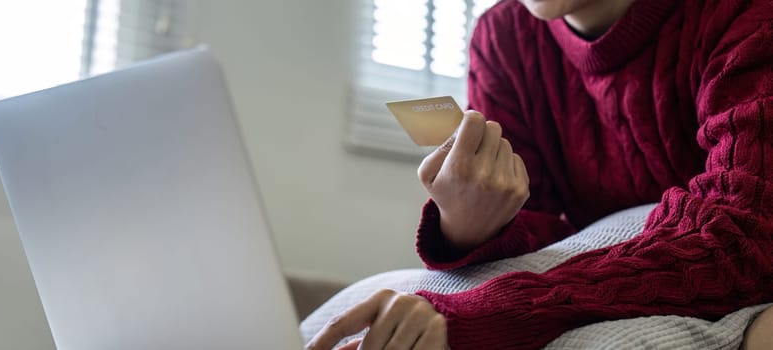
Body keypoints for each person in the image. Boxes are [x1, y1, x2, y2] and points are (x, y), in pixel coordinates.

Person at [307, 0, 773, 348]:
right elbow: (544, 229)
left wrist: (491, 314)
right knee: (369, 304)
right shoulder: (506, 35)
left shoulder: (744, 15)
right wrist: (468, 225)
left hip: (738, 281)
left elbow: (740, 238)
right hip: (603, 276)